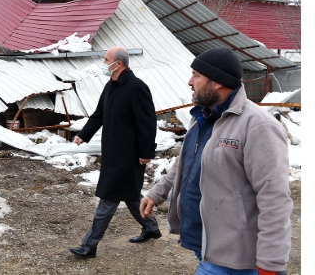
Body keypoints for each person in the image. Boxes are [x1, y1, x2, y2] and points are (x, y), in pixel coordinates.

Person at [140, 48, 292, 275]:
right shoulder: (203, 117)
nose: (190, 82)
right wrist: (157, 192)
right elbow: (186, 162)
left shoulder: (258, 126)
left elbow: (274, 197)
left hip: (237, 255)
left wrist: (271, 263)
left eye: (196, 75)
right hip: (208, 242)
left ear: (217, 82)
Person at [68, 46, 160, 259]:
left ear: (117, 63)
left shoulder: (137, 87)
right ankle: (151, 228)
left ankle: (89, 246)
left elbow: (147, 122)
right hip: (113, 153)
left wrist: (146, 152)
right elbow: (99, 114)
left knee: (108, 197)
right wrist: (84, 134)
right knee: (131, 196)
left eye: (105, 59)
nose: (103, 62)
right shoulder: (111, 85)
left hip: (129, 156)